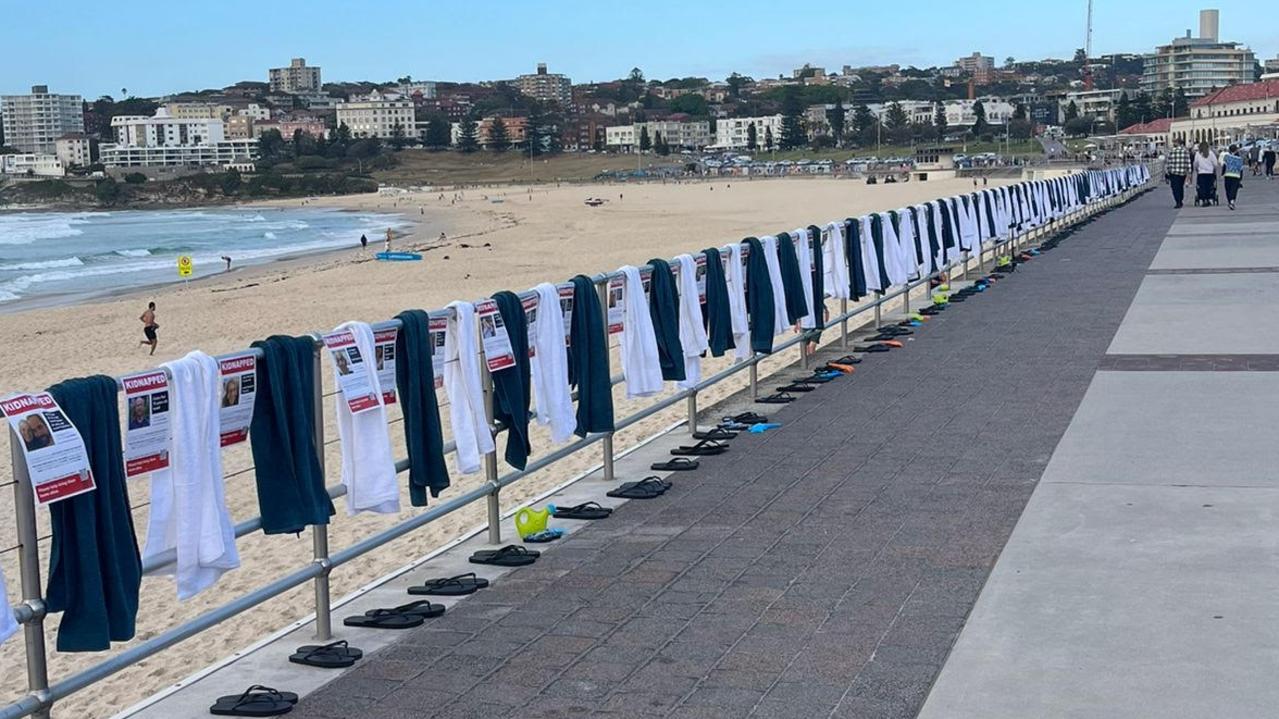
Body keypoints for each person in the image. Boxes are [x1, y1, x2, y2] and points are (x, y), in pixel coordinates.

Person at [1164, 138, 1192, 209]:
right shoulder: (1185, 151)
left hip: (1173, 172)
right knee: (1180, 186)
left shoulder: (1171, 151)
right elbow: (1188, 162)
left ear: (1177, 143)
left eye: (1174, 142)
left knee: (1174, 187)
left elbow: (1168, 162)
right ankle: (1180, 199)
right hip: (1182, 172)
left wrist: (1167, 171)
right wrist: (1189, 172)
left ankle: (1178, 201)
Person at [1193, 142, 1218, 206]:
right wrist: (1214, 169)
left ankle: (1203, 199)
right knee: (1210, 186)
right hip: (1210, 173)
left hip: (1201, 173)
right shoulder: (1211, 153)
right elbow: (1215, 163)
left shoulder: (1198, 154)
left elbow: (1195, 163)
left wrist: (1196, 169)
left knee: (1201, 186)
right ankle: (1209, 197)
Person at [1221, 144, 1244, 210]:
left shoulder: (1226, 157)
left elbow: (1224, 166)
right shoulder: (1240, 159)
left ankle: (1229, 201)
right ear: (1236, 150)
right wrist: (1240, 178)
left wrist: (1222, 174)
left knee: (1228, 189)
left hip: (1228, 175)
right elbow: (1241, 169)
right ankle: (1232, 201)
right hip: (1236, 175)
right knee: (1234, 190)